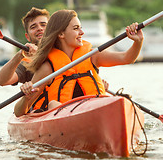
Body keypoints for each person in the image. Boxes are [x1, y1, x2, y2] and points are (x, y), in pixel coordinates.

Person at [14, 9, 143, 117]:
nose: (82, 33)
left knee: (116, 100)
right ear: (61, 34)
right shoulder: (48, 68)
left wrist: (138, 42)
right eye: (76, 28)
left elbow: (127, 58)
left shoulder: (92, 56)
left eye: (81, 28)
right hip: (65, 117)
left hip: (94, 111)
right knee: (54, 104)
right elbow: (19, 112)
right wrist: (27, 96)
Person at [0, 7, 49, 86]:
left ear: (51, 29)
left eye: (43, 25)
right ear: (27, 37)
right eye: (33, 27)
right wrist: (20, 55)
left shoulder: (65, 49)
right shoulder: (27, 62)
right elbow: (1, 81)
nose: (40, 28)